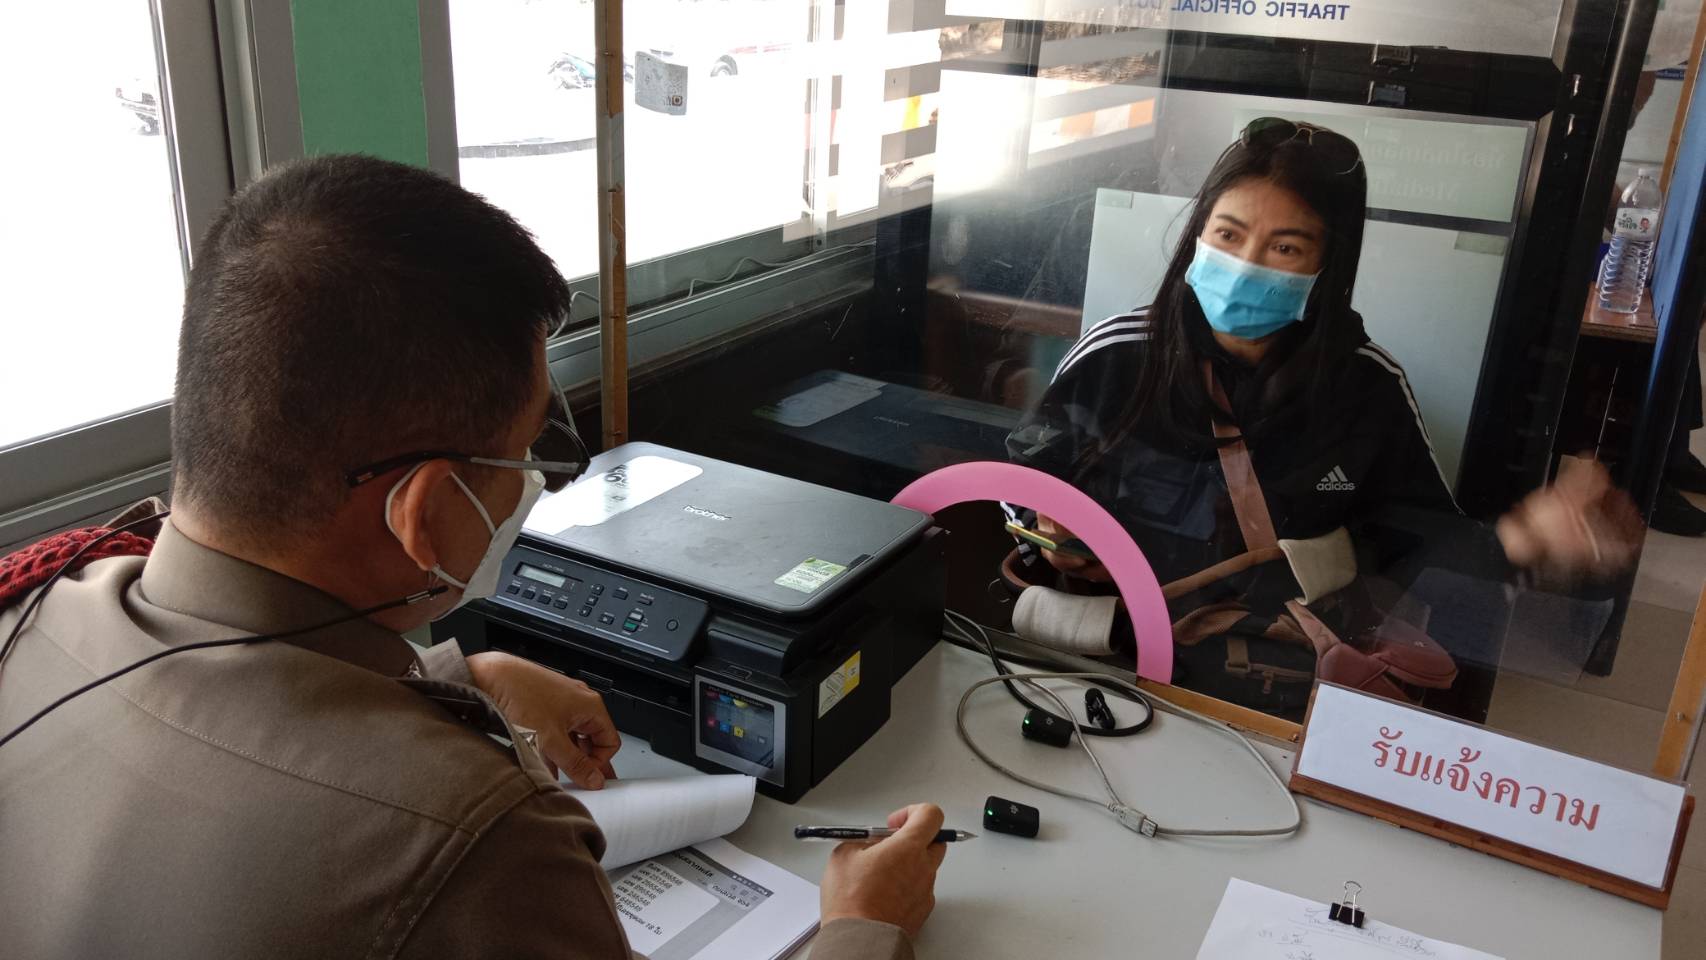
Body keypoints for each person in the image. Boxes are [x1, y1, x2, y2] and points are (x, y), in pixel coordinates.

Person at [0, 156, 944, 959]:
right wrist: (864, 927)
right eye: (524, 458)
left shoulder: (32, 608)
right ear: (424, 511)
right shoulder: (477, 841)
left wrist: (456, 679)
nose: (531, 486)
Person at [1005, 118, 1638, 717]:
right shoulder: (1116, 354)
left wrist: (1523, 540)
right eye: (1228, 235)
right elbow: (1020, 478)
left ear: (1328, 265)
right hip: (1106, 654)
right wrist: (1044, 527)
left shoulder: (1367, 386)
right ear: (1197, 234)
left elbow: (1419, 540)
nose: (1247, 264)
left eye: (1285, 246)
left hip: (1264, 677)